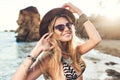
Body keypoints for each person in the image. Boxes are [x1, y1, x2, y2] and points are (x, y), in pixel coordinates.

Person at [11, 2, 102, 80]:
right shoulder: (48, 59)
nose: (66, 29)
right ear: (52, 33)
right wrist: (37, 50)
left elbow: (96, 39)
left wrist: (79, 12)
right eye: (60, 27)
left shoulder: (74, 52)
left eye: (68, 25)